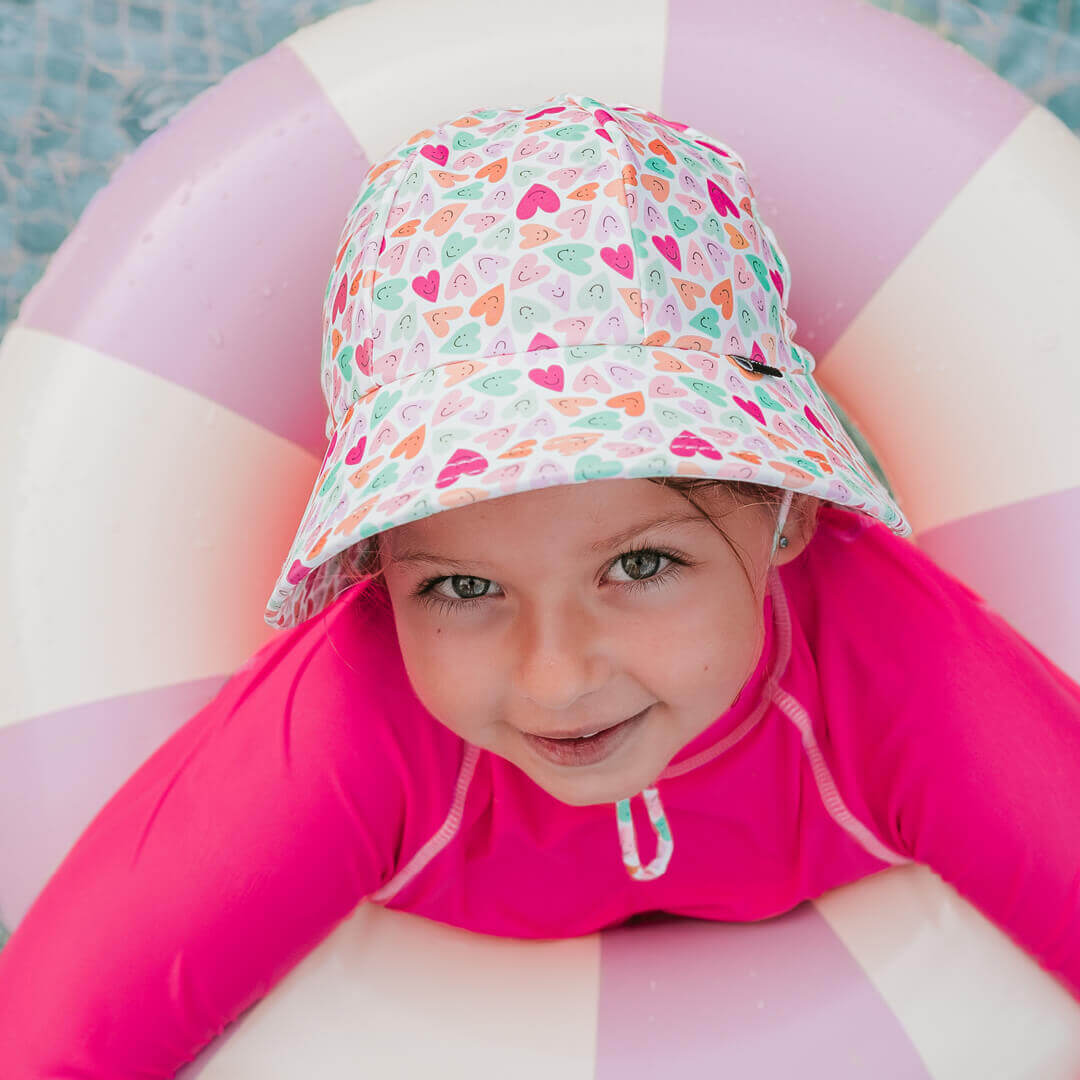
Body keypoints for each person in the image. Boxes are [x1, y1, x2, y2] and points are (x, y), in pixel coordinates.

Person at [2, 91, 1078, 1074]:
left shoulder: (897, 670)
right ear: (378, 569)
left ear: (788, 511)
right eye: (463, 589)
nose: (555, 679)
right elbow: (53, 1041)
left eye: (642, 563)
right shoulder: (355, 720)